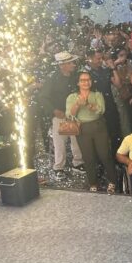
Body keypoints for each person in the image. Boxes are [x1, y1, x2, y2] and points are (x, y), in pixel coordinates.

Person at [66, 71, 117, 193]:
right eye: (82, 80)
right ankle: (93, 183)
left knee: (105, 155)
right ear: (78, 82)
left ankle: (113, 181)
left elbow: (101, 110)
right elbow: (69, 114)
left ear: (91, 81)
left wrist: (88, 104)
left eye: (88, 79)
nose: (86, 82)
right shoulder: (72, 97)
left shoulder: (97, 94)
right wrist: (77, 104)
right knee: (88, 157)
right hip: (82, 128)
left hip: (98, 126)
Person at [38, 51, 84, 179]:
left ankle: (77, 163)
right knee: (60, 142)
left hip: (73, 113)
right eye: (70, 63)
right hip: (60, 115)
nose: (73, 64)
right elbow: (42, 97)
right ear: (62, 65)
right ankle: (59, 167)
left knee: (76, 140)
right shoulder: (52, 79)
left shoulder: (75, 77)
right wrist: (54, 111)